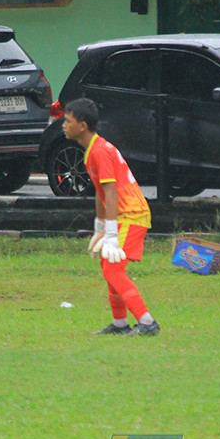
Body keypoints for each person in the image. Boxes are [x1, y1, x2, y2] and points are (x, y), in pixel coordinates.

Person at [61, 98, 161, 336]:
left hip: (131, 214)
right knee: (109, 266)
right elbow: (100, 190)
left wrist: (112, 234)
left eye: (68, 121)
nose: (63, 125)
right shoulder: (93, 150)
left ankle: (147, 322)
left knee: (113, 270)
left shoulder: (100, 151)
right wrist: (100, 227)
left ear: (82, 126)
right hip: (122, 215)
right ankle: (119, 324)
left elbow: (111, 191)